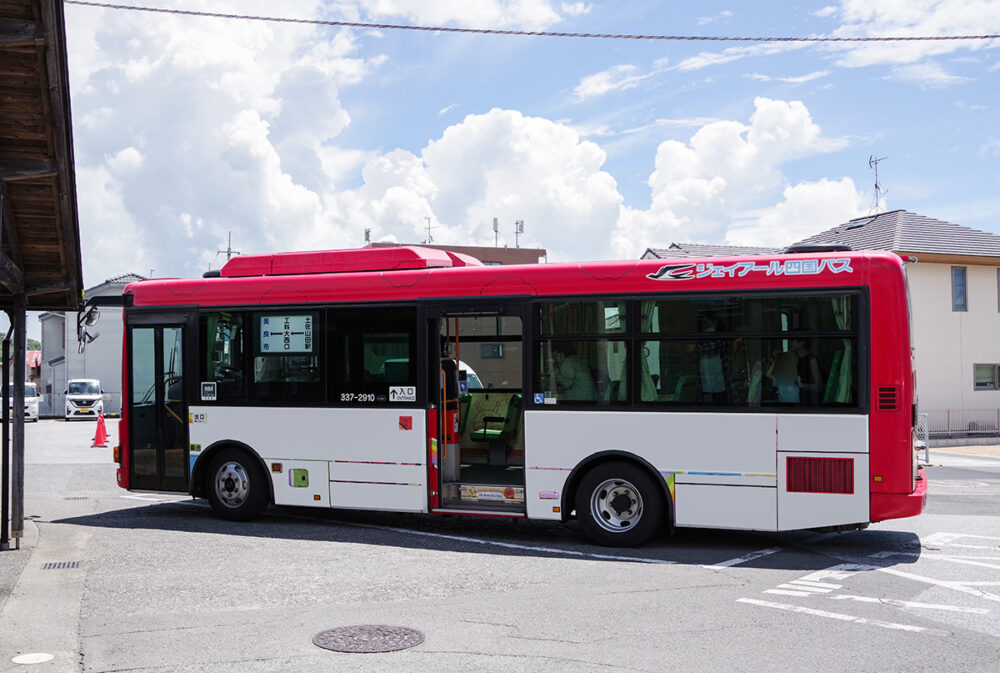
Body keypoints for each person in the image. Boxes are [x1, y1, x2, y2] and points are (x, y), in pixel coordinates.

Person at [696, 311, 730, 404]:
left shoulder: (721, 338)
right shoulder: (701, 339)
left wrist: (695, 348)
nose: (703, 325)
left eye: (706, 322)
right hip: (705, 385)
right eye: (701, 322)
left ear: (715, 322)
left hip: (721, 385)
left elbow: (712, 346)